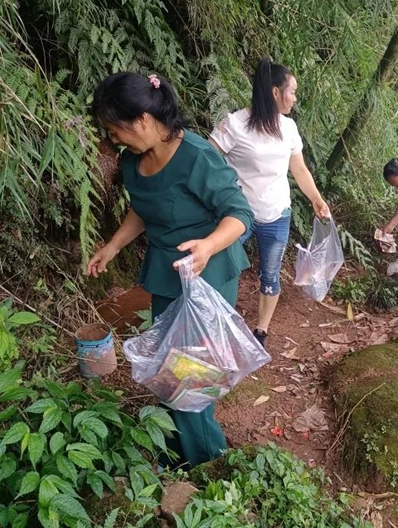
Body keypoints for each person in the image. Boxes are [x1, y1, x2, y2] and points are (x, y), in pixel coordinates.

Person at [85, 72, 255, 467]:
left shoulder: (197, 156)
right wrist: (112, 246)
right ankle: (180, 449)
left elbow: (239, 213)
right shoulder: (132, 161)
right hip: (166, 273)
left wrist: (208, 246)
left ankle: (207, 459)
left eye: (116, 130)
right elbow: (142, 210)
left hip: (206, 276)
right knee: (171, 369)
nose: (114, 140)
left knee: (192, 375)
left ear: (143, 119)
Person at [209, 57, 330, 346]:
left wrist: (316, 198)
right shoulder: (234, 125)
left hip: (276, 214)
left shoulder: (288, 128)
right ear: (275, 92)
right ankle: (216, 320)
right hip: (236, 216)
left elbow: (299, 169)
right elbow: (207, 162)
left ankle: (261, 331)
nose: (295, 99)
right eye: (292, 91)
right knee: (221, 265)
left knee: (270, 275)